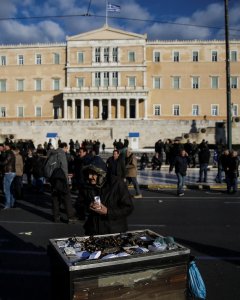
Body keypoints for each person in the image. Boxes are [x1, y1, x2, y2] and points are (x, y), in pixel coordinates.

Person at [82, 157, 134, 235]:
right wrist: (88, 205)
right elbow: (79, 204)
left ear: (101, 173)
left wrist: (107, 212)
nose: (90, 177)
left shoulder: (117, 183)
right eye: (88, 174)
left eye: (93, 174)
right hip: (93, 231)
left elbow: (128, 208)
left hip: (113, 231)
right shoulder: (88, 185)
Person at [49, 142, 76, 223]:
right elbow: (64, 169)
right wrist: (67, 181)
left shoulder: (52, 153)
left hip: (53, 180)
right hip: (61, 180)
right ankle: (70, 218)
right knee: (67, 199)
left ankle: (56, 217)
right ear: (64, 147)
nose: (66, 150)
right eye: (66, 148)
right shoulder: (61, 154)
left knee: (55, 199)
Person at [0, 143, 16, 209]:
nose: (4, 147)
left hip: (8, 172)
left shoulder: (9, 153)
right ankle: (12, 203)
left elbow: (5, 162)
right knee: (10, 189)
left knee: (6, 189)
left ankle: (7, 204)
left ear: (8, 146)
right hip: (11, 172)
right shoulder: (10, 153)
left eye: (5, 146)